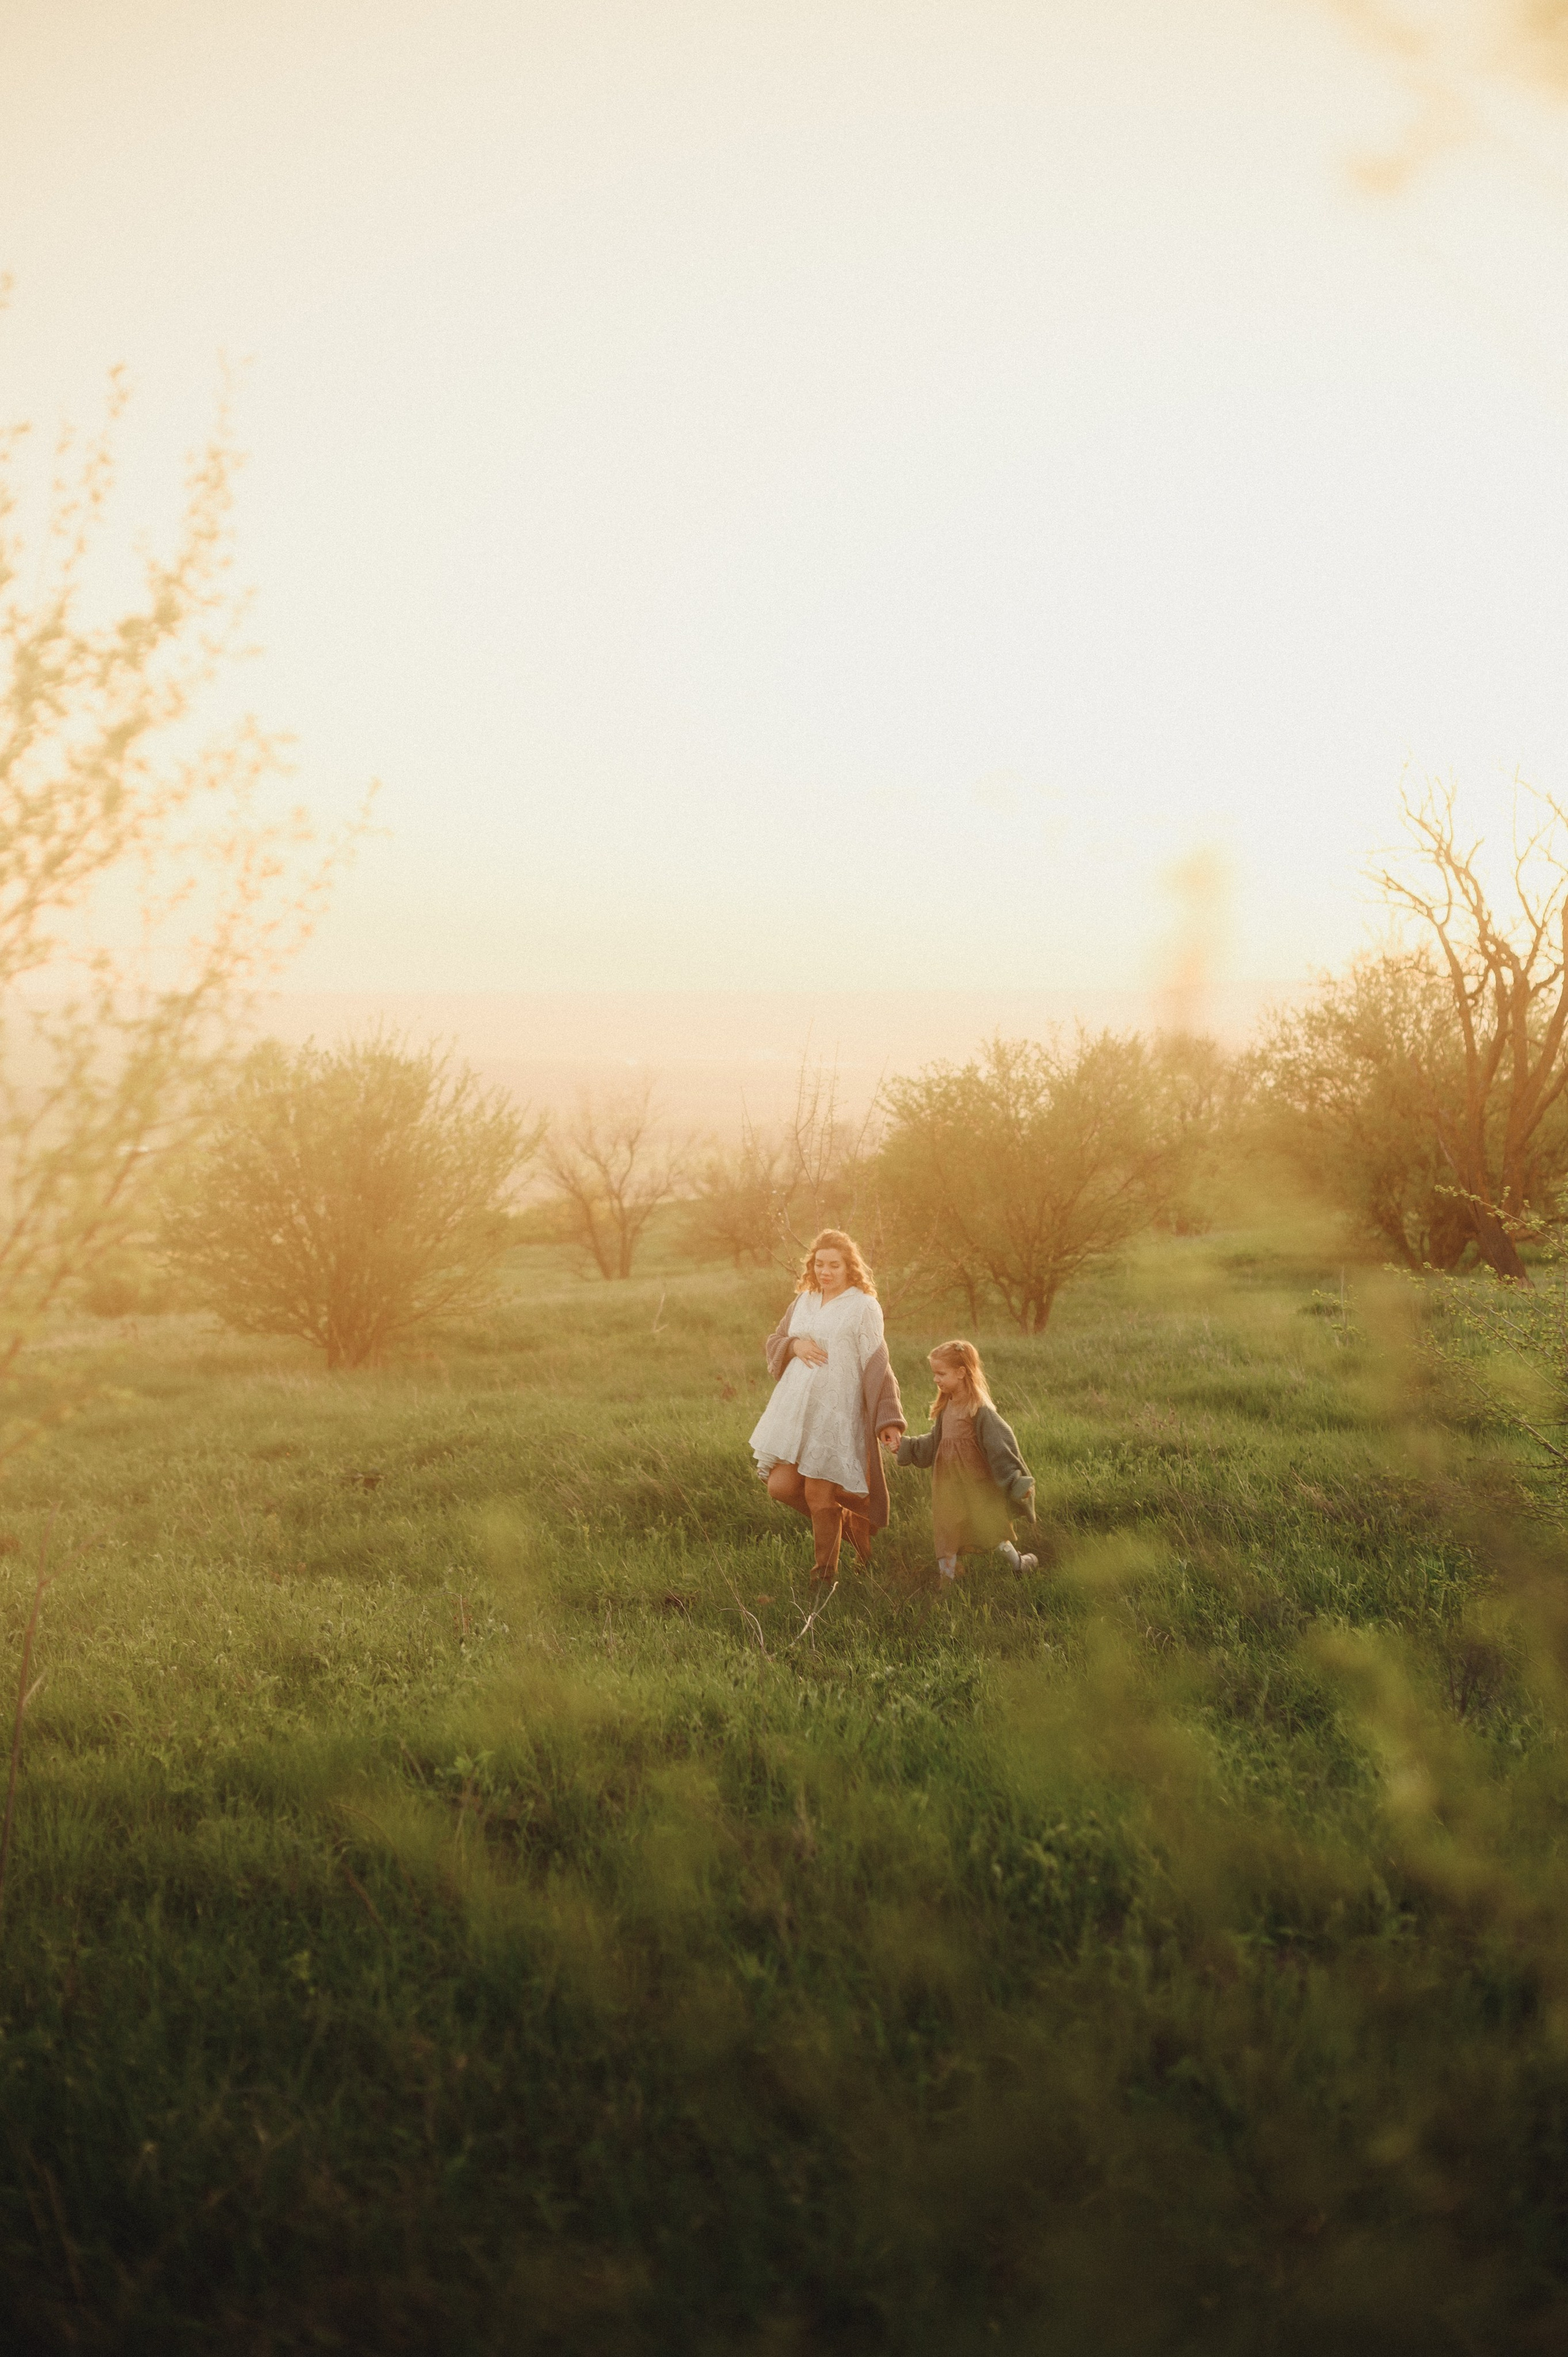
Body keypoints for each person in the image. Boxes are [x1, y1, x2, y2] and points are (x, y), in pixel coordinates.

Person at [750, 1229, 906, 1583]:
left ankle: (824, 1577)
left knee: (819, 1496)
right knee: (781, 1487)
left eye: (834, 1265)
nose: (825, 1272)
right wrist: (794, 1346)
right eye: (819, 1264)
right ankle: (852, 1529)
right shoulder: (804, 1300)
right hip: (795, 1413)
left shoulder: (864, 1306)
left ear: (850, 1267)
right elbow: (775, 1339)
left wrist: (888, 1418)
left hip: (836, 1415)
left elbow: (878, 1364)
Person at [887, 1339, 1038, 1584]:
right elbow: (934, 1442)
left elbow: (1001, 1446)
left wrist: (1015, 1482)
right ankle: (946, 1582)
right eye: (934, 1373)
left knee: (991, 1529)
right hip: (947, 1486)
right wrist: (905, 1446)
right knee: (946, 1531)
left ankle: (1019, 1564)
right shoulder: (946, 1407)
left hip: (976, 1485)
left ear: (961, 1373)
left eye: (941, 1374)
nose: (936, 1379)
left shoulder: (979, 1411)